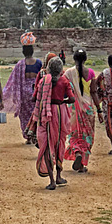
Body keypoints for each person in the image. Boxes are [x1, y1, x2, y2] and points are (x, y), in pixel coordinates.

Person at [34, 56, 76, 190]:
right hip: (60, 113)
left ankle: (51, 180)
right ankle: (59, 175)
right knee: (60, 143)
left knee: (46, 145)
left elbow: (34, 97)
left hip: (46, 115)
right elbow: (72, 98)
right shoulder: (64, 81)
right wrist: (62, 101)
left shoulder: (43, 81)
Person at [63, 48, 101, 173]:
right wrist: (99, 110)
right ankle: (82, 164)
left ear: (74, 59)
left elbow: (63, 90)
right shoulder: (90, 73)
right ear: (85, 59)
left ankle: (77, 151)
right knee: (87, 136)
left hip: (74, 109)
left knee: (74, 134)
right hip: (88, 108)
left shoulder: (68, 73)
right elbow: (94, 92)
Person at [2, 31, 42, 144]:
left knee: (25, 116)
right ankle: (35, 134)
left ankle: (28, 137)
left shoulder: (20, 64)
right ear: (32, 51)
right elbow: (43, 77)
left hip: (24, 94)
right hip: (35, 92)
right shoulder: (38, 63)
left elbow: (12, 81)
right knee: (35, 114)